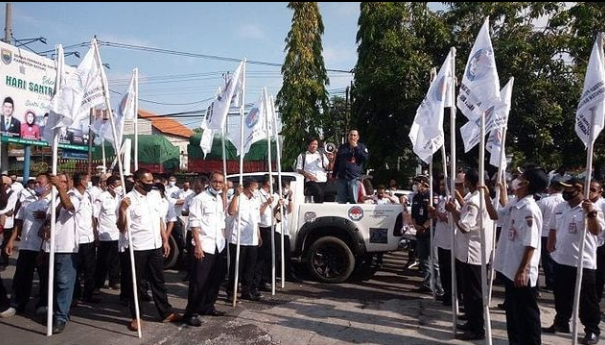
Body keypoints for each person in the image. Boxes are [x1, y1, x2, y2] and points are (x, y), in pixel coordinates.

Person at [117, 168, 181, 332]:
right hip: (138, 247)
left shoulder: (154, 196)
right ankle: (136, 316)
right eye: (148, 181)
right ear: (138, 182)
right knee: (136, 283)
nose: (152, 184)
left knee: (158, 280)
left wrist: (165, 239)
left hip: (155, 245)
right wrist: (122, 210)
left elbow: (159, 219)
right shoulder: (127, 199)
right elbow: (122, 228)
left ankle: (165, 312)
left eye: (152, 181)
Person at [543, 177, 603, 345]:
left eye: (569, 190)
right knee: (561, 295)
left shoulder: (593, 208)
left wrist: (590, 213)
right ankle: (561, 322)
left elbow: (596, 230)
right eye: (564, 190)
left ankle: (591, 330)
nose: (565, 193)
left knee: (587, 299)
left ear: (579, 190)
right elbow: (553, 227)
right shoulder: (560, 207)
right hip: (561, 258)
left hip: (583, 262)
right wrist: (550, 242)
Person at [492, 167, 549, 345]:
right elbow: (496, 215)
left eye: (521, 177)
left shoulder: (529, 208)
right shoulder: (516, 204)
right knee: (514, 313)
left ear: (526, 183)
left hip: (520, 271)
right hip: (510, 268)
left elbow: (531, 243)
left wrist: (523, 270)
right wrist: (488, 193)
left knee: (527, 314)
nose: (517, 179)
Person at [446, 168, 494, 341]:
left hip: (472, 253)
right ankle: (471, 322)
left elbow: (465, 227)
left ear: (468, 182)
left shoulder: (474, 201)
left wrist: (452, 210)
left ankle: (477, 329)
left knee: (473, 293)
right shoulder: (478, 199)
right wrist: (455, 208)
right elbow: (466, 219)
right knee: (469, 291)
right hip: (469, 252)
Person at [182, 171, 227, 327]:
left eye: (221, 182)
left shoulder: (219, 199)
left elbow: (221, 222)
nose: (218, 185)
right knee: (198, 282)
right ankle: (191, 312)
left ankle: (208, 306)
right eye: (215, 182)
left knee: (215, 280)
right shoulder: (199, 199)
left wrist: (223, 240)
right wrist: (198, 246)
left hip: (218, 246)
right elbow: (193, 224)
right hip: (204, 245)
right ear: (209, 181)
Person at [227, 178, 262, 301]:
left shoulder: (255, 201)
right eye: (255, 187)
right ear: (248, 187)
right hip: (238, 239)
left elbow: (256, 219)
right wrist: (236, 196)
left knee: (250, 268)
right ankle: (232, 291)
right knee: (237, 267)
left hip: (252, 239)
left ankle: (247, 291)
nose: (256, 190)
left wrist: (258, 235)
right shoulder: (238, 198)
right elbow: (231, 211)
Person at [334, 130, 368, 204]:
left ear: (358, 137)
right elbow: (337, 161)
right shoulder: (342, 147)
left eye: (354, 135)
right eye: (351, 135)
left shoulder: (361, 146)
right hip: (342, 178)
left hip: (354, 178)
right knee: (341, 201)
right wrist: (334, 174)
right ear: (348, 136)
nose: (352, 137)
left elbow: (365, 158)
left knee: (354, 200)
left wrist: (356, 147)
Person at [296, 138, 333, 203]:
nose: (314, 146)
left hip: (323, 179)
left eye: (315, 144)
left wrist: (330, 160)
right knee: (319, 193)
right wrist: (309, 176)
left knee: (330, 194)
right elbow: (299, 169)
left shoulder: (321, 155)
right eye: (312, 144)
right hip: (310, 181)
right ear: (308, 145)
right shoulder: (303, 155)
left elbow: (328, 168)